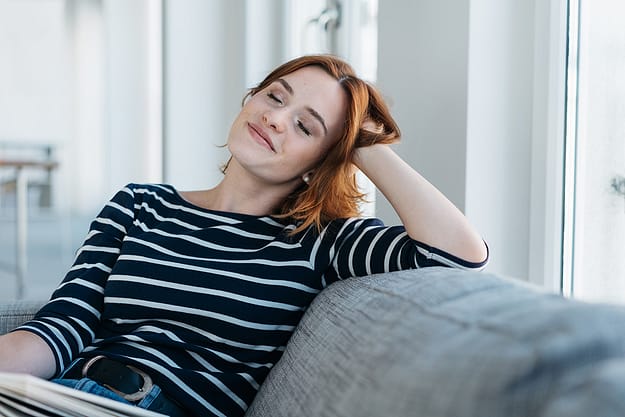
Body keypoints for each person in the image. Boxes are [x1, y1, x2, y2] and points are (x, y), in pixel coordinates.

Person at [0, 54, 488, 417]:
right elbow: (62, 326)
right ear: (250, 98)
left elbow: (458, 254)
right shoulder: (140, 203)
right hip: (66, 397)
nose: (275, 118)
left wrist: (363, 143)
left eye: (305, 126)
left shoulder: (319, 241)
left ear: (319, 162)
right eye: (274, 96)